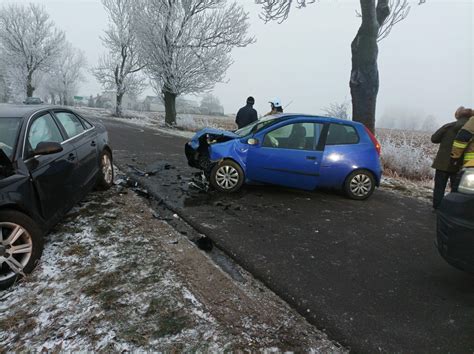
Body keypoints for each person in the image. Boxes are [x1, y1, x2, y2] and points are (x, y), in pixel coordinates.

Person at [431, 106, 471, 209]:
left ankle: (437, 208)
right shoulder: (471, 129)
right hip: (460, 165)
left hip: (442, 164)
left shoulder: (448, 127)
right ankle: (452, 209)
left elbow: (434, 139)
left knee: (439, 188)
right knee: (456, 190)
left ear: (457, 115)